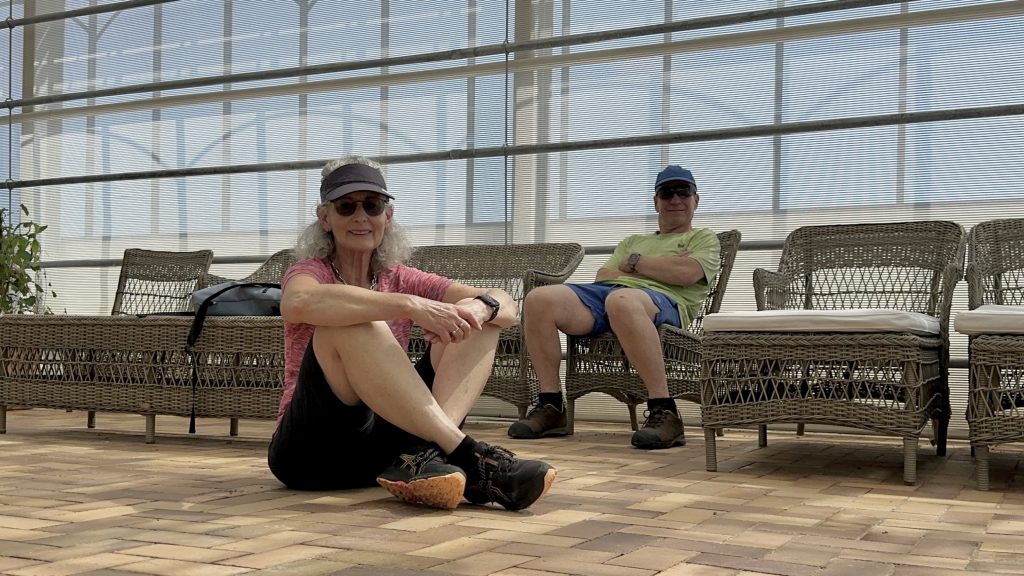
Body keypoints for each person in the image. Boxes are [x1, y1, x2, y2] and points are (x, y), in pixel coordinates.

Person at [268, 155, 556, 511]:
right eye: (346, 206)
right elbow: (297, 303)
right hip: (311, 454)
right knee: (352, 321)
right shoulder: (309, 271)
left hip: (386, 456)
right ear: (325, 217)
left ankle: (428, 455)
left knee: (479, 321)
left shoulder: (401, 276)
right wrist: (408, 305)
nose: (361, 216)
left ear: (387, 216)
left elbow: (506, 306)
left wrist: (478, 309)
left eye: (372, 205)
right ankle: (468, 456)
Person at [508, 165, 720, 449]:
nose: (675, 199)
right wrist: (661, 266)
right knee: (538, 299)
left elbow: (686, 274)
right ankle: (551, 405)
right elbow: (603, 276)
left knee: (621, 300)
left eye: (683, 192)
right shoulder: (633, 241)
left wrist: (634, 263)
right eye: (667, 193)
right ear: (656, 201)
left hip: (663, 303)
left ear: (696, 199)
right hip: (609, 296)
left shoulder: (703, 238)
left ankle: (665, 409)